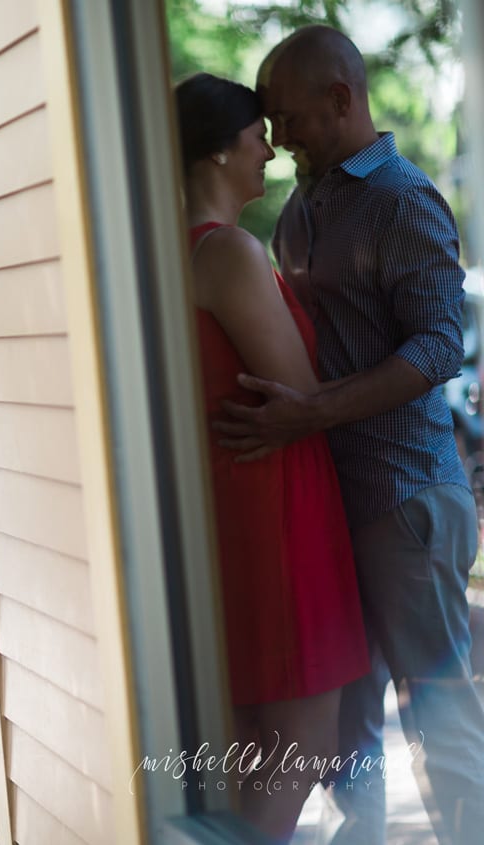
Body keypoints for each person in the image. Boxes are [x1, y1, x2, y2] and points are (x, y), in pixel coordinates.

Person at [218, 25, 484, 844]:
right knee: (349, 725)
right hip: (338, 507)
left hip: (404, 501)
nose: (278, 137)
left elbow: (442, 343)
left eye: (290, 119)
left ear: (342, 100)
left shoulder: (402, 198)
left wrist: (315, 411)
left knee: (438, 719)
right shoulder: (305, 201)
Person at [175, 72, 370, 842]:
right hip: (275, 500)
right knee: (298, 750)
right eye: (259, 136)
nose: (271, 151)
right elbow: (297, 389)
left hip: (237, 496)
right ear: (223, 150)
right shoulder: (227, 251)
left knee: (256, 751)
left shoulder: (171, 250)